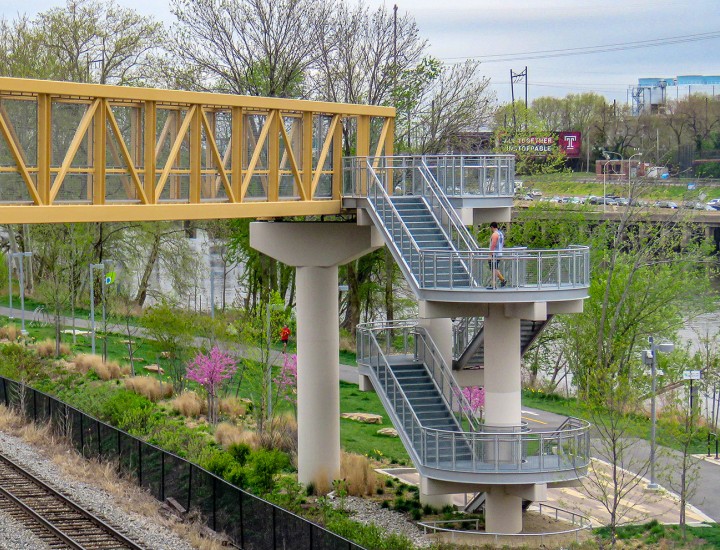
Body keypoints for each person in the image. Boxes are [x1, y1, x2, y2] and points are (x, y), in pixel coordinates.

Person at [488, 222, 507, 289]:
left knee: (493, 269)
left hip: (495, 254)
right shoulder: (501, 234)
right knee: (494, 268)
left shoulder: (495, 234)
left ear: (492, 227)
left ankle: (493, 284)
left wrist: (490, 255)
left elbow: (493, 244)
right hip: (499, 253)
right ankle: (502, 280)